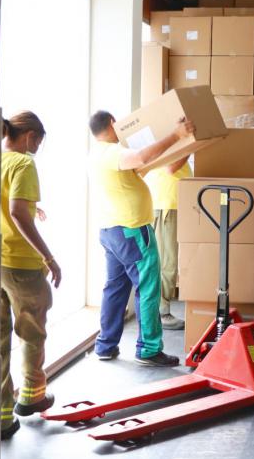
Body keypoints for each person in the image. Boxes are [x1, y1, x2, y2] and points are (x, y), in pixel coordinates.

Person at [89, 110, 195, 366]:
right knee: (148, 288)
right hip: (132, 230)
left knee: (115, 288)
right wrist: (176, 135)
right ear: (113, 124)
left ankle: (106, 345)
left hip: (111, 231)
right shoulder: (114, 151)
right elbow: (138, 156)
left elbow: (140, 167)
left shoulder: (96, 155)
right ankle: (148, 349)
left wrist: (175, 143)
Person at [0, 111, 62, 439]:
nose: (38, 145)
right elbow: (16, 212)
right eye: (38, 139)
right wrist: (48, 257)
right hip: (22, 264)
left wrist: (27, 210)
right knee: (32, 331)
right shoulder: (23, 164)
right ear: (29, 135)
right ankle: (32, 396)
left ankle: (2, 415)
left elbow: (5, 206)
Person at [145, 157, 192, 330]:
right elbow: (171, 167)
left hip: (170, 203)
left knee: (168, 261)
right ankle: (161, 312)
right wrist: (190, 147)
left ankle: (160, 310)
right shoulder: (168, 135)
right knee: (167, 262)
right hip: (167, 203)